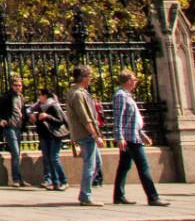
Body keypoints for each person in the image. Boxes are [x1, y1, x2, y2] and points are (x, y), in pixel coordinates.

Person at [109, 70, 168, 206]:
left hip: (133, 135)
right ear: (128, 81)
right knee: (144, 167)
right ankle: (153, 197)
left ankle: (118, 196)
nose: (136, 82)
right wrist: (120, 137)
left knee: (124, 166)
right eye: (134, 80)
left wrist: (142, 134)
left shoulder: (127, 95)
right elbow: (118, 118)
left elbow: (131, 120)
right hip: (130, 139)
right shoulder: (121, 96)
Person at [64, 65, 102, 205]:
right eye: (90, 76)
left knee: (96, 164)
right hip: (86, 134)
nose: (91, 78)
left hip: (87, 134)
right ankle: (85, 196)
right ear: (84, 78)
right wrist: (95, 135)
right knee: (90, 165)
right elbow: (84, 117)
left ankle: (85, 193)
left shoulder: (79, 92)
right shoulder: (78, 94)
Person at [30, 88, 69, 190]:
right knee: (48, 158)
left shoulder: (53, 105)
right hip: (44, 135)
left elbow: (60, 120)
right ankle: (55, 182)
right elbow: (38, 118)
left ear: (45, 96)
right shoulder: (40, 106)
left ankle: (63, 180)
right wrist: (35, 116)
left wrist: (47, 116)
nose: (39, 98)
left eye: (40, 95)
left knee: (54, 158)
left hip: (54, 135)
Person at [0, 76, 28, 187]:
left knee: (17, 153)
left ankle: (19, 178)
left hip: (18, 127)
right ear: (12, 86)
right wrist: (0, 120)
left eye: (20, 85)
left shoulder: (21, 97)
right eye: (16, 85)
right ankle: (16, 179)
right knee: (16, 153)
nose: (18, 87)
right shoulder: (7, 97)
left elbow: (22, 111)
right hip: (10, 127)